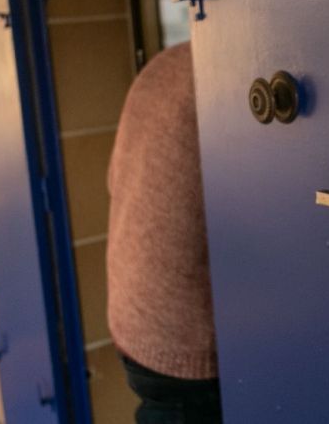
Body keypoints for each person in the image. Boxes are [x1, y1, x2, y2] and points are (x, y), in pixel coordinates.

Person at [107, 42, 222, 423]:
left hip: (133, 313)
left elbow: (114, 180)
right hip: (185, 340)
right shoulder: (231, 72)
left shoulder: (164, 64)